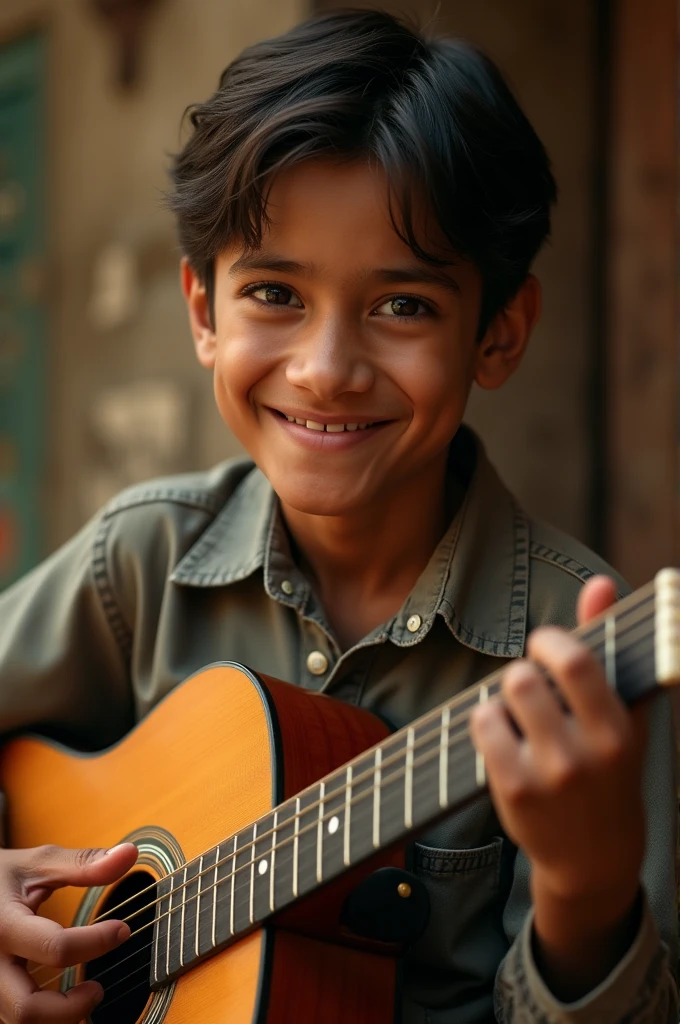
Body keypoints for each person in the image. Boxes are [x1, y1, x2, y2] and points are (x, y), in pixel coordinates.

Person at [0, 9, 676, 1023]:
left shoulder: (581, 657)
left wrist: (584, 892)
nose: (323, 370)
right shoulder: (140, 562)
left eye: (400, 305)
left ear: (497, 334)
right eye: (273, 292)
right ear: (201, 312)